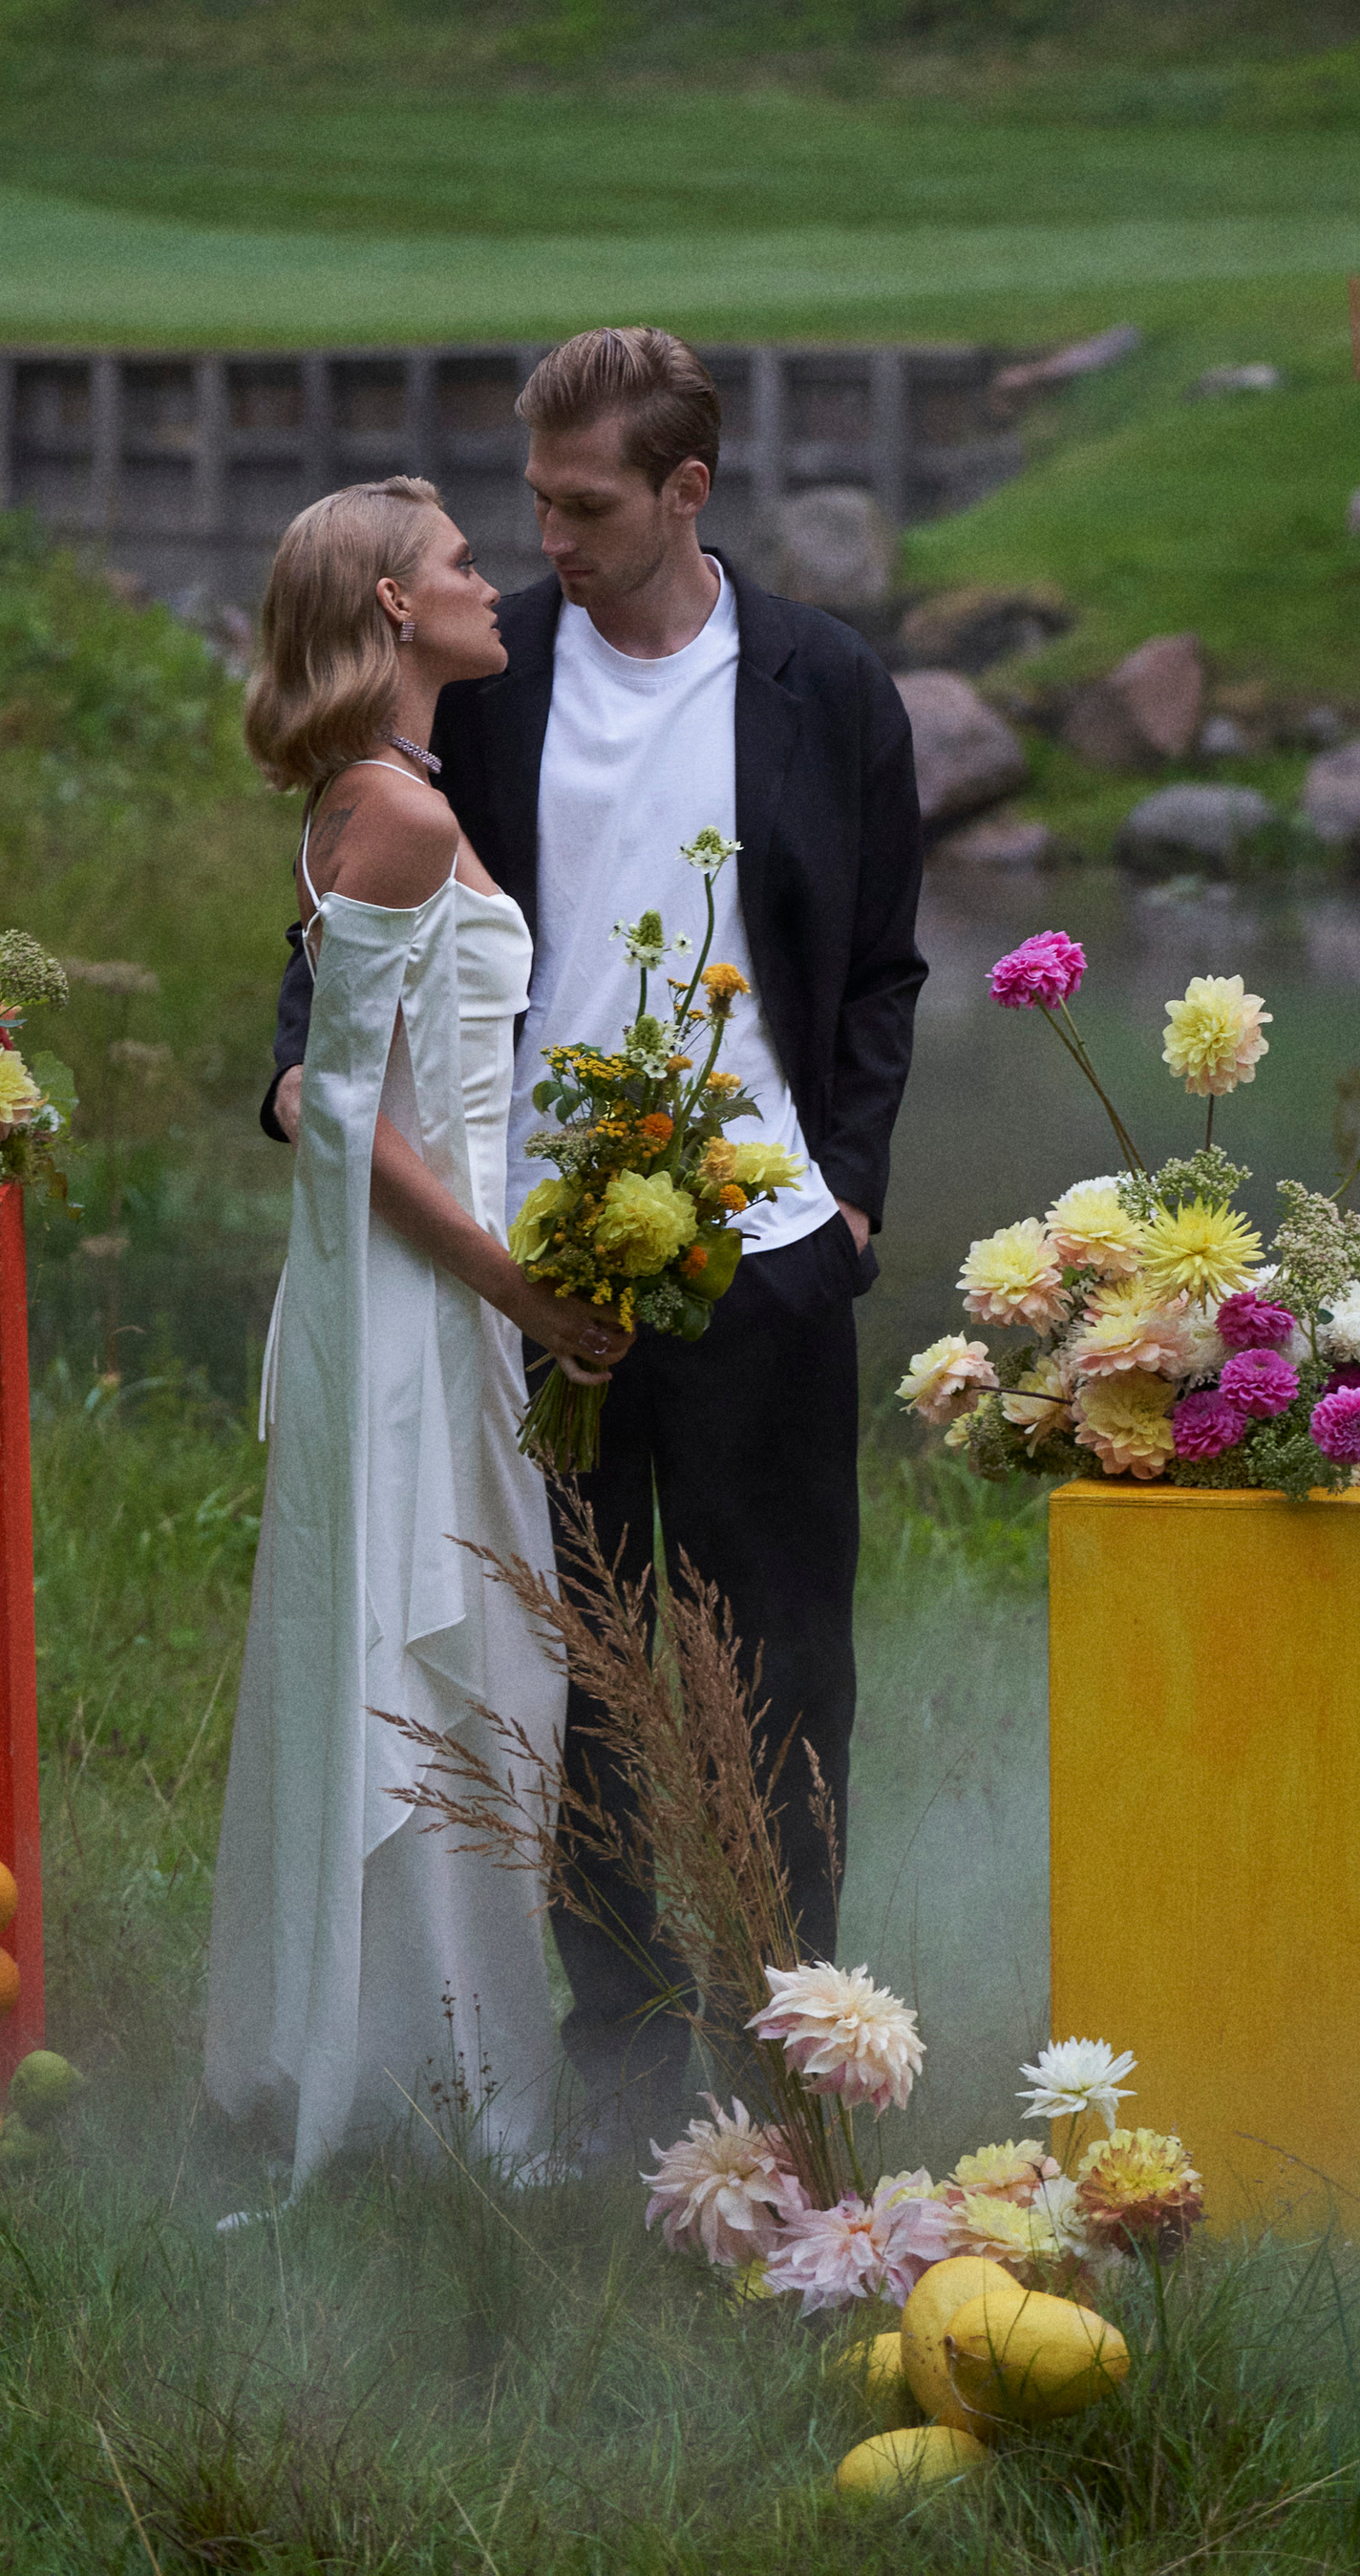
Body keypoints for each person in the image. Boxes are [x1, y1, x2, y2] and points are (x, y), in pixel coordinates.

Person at [263, 330, 925, 2153]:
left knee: (784, 1656)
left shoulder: (829, 684)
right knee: (571, 1670)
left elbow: (879, 970)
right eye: (532, 501)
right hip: (524, 1275)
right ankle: (619, 2060)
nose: (542, 532)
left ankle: (797, 2051)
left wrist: (849, 1195)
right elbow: (344, 971)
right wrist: (480, 1247)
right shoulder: (485, 685)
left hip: (772, 1252)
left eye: (584, 503)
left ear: (686, 491)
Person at [204, 475, 626, 2185]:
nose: (494, 584)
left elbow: (321, 1075)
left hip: (428, 1284)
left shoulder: (387, 795)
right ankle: (438, 2105)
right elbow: (338, 1109)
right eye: (461, 565)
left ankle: (426, 2074)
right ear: (391, 605)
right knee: (435, 1674)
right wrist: (520, 1286)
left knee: (460, 1680)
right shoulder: (392, 810)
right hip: (411, 1301)